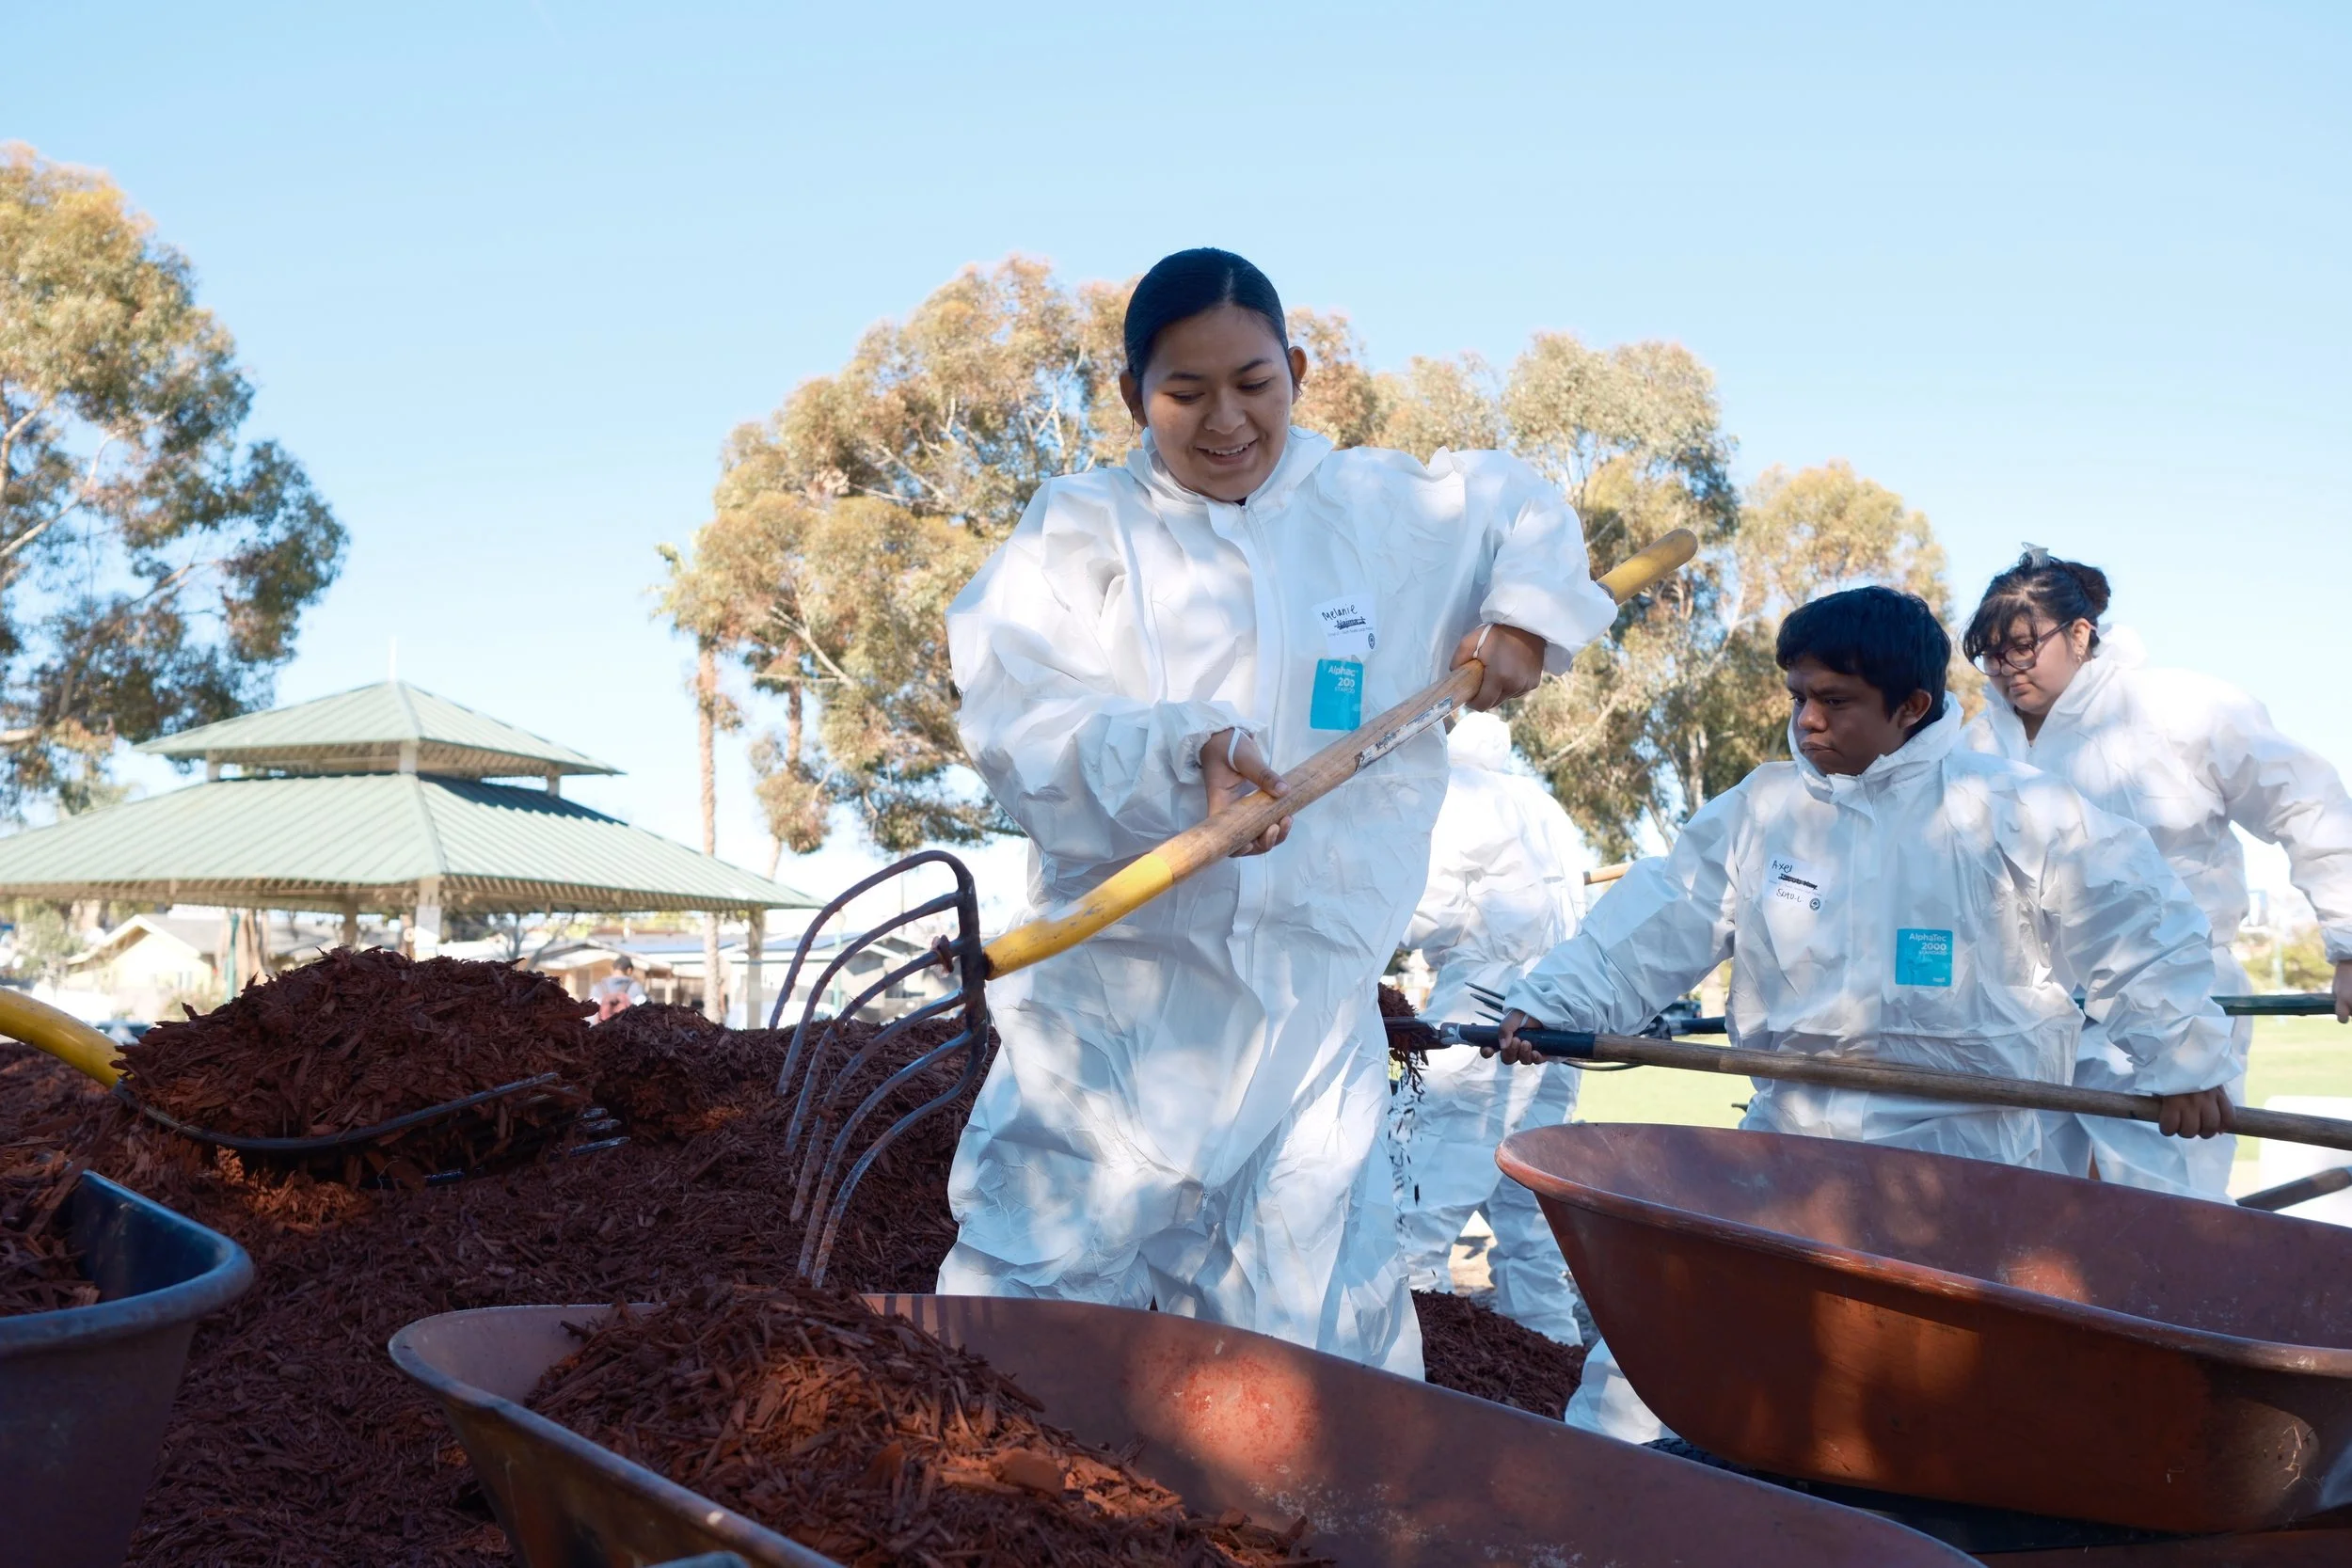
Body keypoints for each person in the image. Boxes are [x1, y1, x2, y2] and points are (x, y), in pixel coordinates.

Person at [937, 248, 1621, 1375]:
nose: (1226, 421)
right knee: (1031, 1303)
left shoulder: (1382, 514)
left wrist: (1524, 616)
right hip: (1121, 1015)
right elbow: (1020, 716)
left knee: (1314, 1342)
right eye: (1185, 391)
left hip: (1312, 1017)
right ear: (1131, 397)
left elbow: (1521, 506)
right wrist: (1184, 755)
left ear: (1296, 371)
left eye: (1253, 383)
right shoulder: (1081, 532)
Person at [1492, 585, 2233, 1443]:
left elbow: (2137, 926)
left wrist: (2185, 1064)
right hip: (1790, 1133)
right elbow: (1658, 918)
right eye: (1798, 696)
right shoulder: (1762, 812)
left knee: (1937, 1394)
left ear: (1911, 705)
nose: (1807, 719)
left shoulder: (2015, 811)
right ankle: (1615, 1491)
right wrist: (1553, 1003)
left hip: (1965, 1157)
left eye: (1835, 700)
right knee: (1666, 1345)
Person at [1962, 547, 2352, 1199]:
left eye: (2023, 647)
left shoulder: (2184, 708)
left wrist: (2349, 941)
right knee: (2022, 1208)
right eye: (1991, 653)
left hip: (2172, 1002)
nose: (2005, 669)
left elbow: (2306, 802)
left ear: (2079, 634)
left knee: (2168, 1211)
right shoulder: (1973, 747)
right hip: (2021, 1017)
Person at [1390, 710, 1591, 1345]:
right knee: (1531, 1218)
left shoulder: (1456, 795)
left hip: (1488, 1013)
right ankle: (1556, 1361)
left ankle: (1411, 1362)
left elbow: (1427, 913)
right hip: (1559, 1014)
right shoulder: (1544, 806)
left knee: (1417, 1205)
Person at [591, 956, 646, 1022]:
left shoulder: (598, 987)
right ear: (629, 970)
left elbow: (591, 1017)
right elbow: (643, 1015)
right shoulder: (636, 987)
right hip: (626, 1027)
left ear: (611, 969)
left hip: (603, 1027)